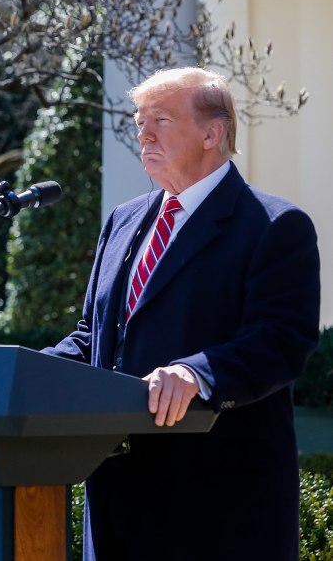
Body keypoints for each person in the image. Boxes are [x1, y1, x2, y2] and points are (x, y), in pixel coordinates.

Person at [41, 67, 320, 560]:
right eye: (139, 120)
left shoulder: (275, 226)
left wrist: (197, 373)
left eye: (162, 120)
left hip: (215, 510)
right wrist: (27, 370)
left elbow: (280, 341)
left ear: (213, 133)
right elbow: (95, 334)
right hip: (116, 501)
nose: (143, 133)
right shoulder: (124, 220)